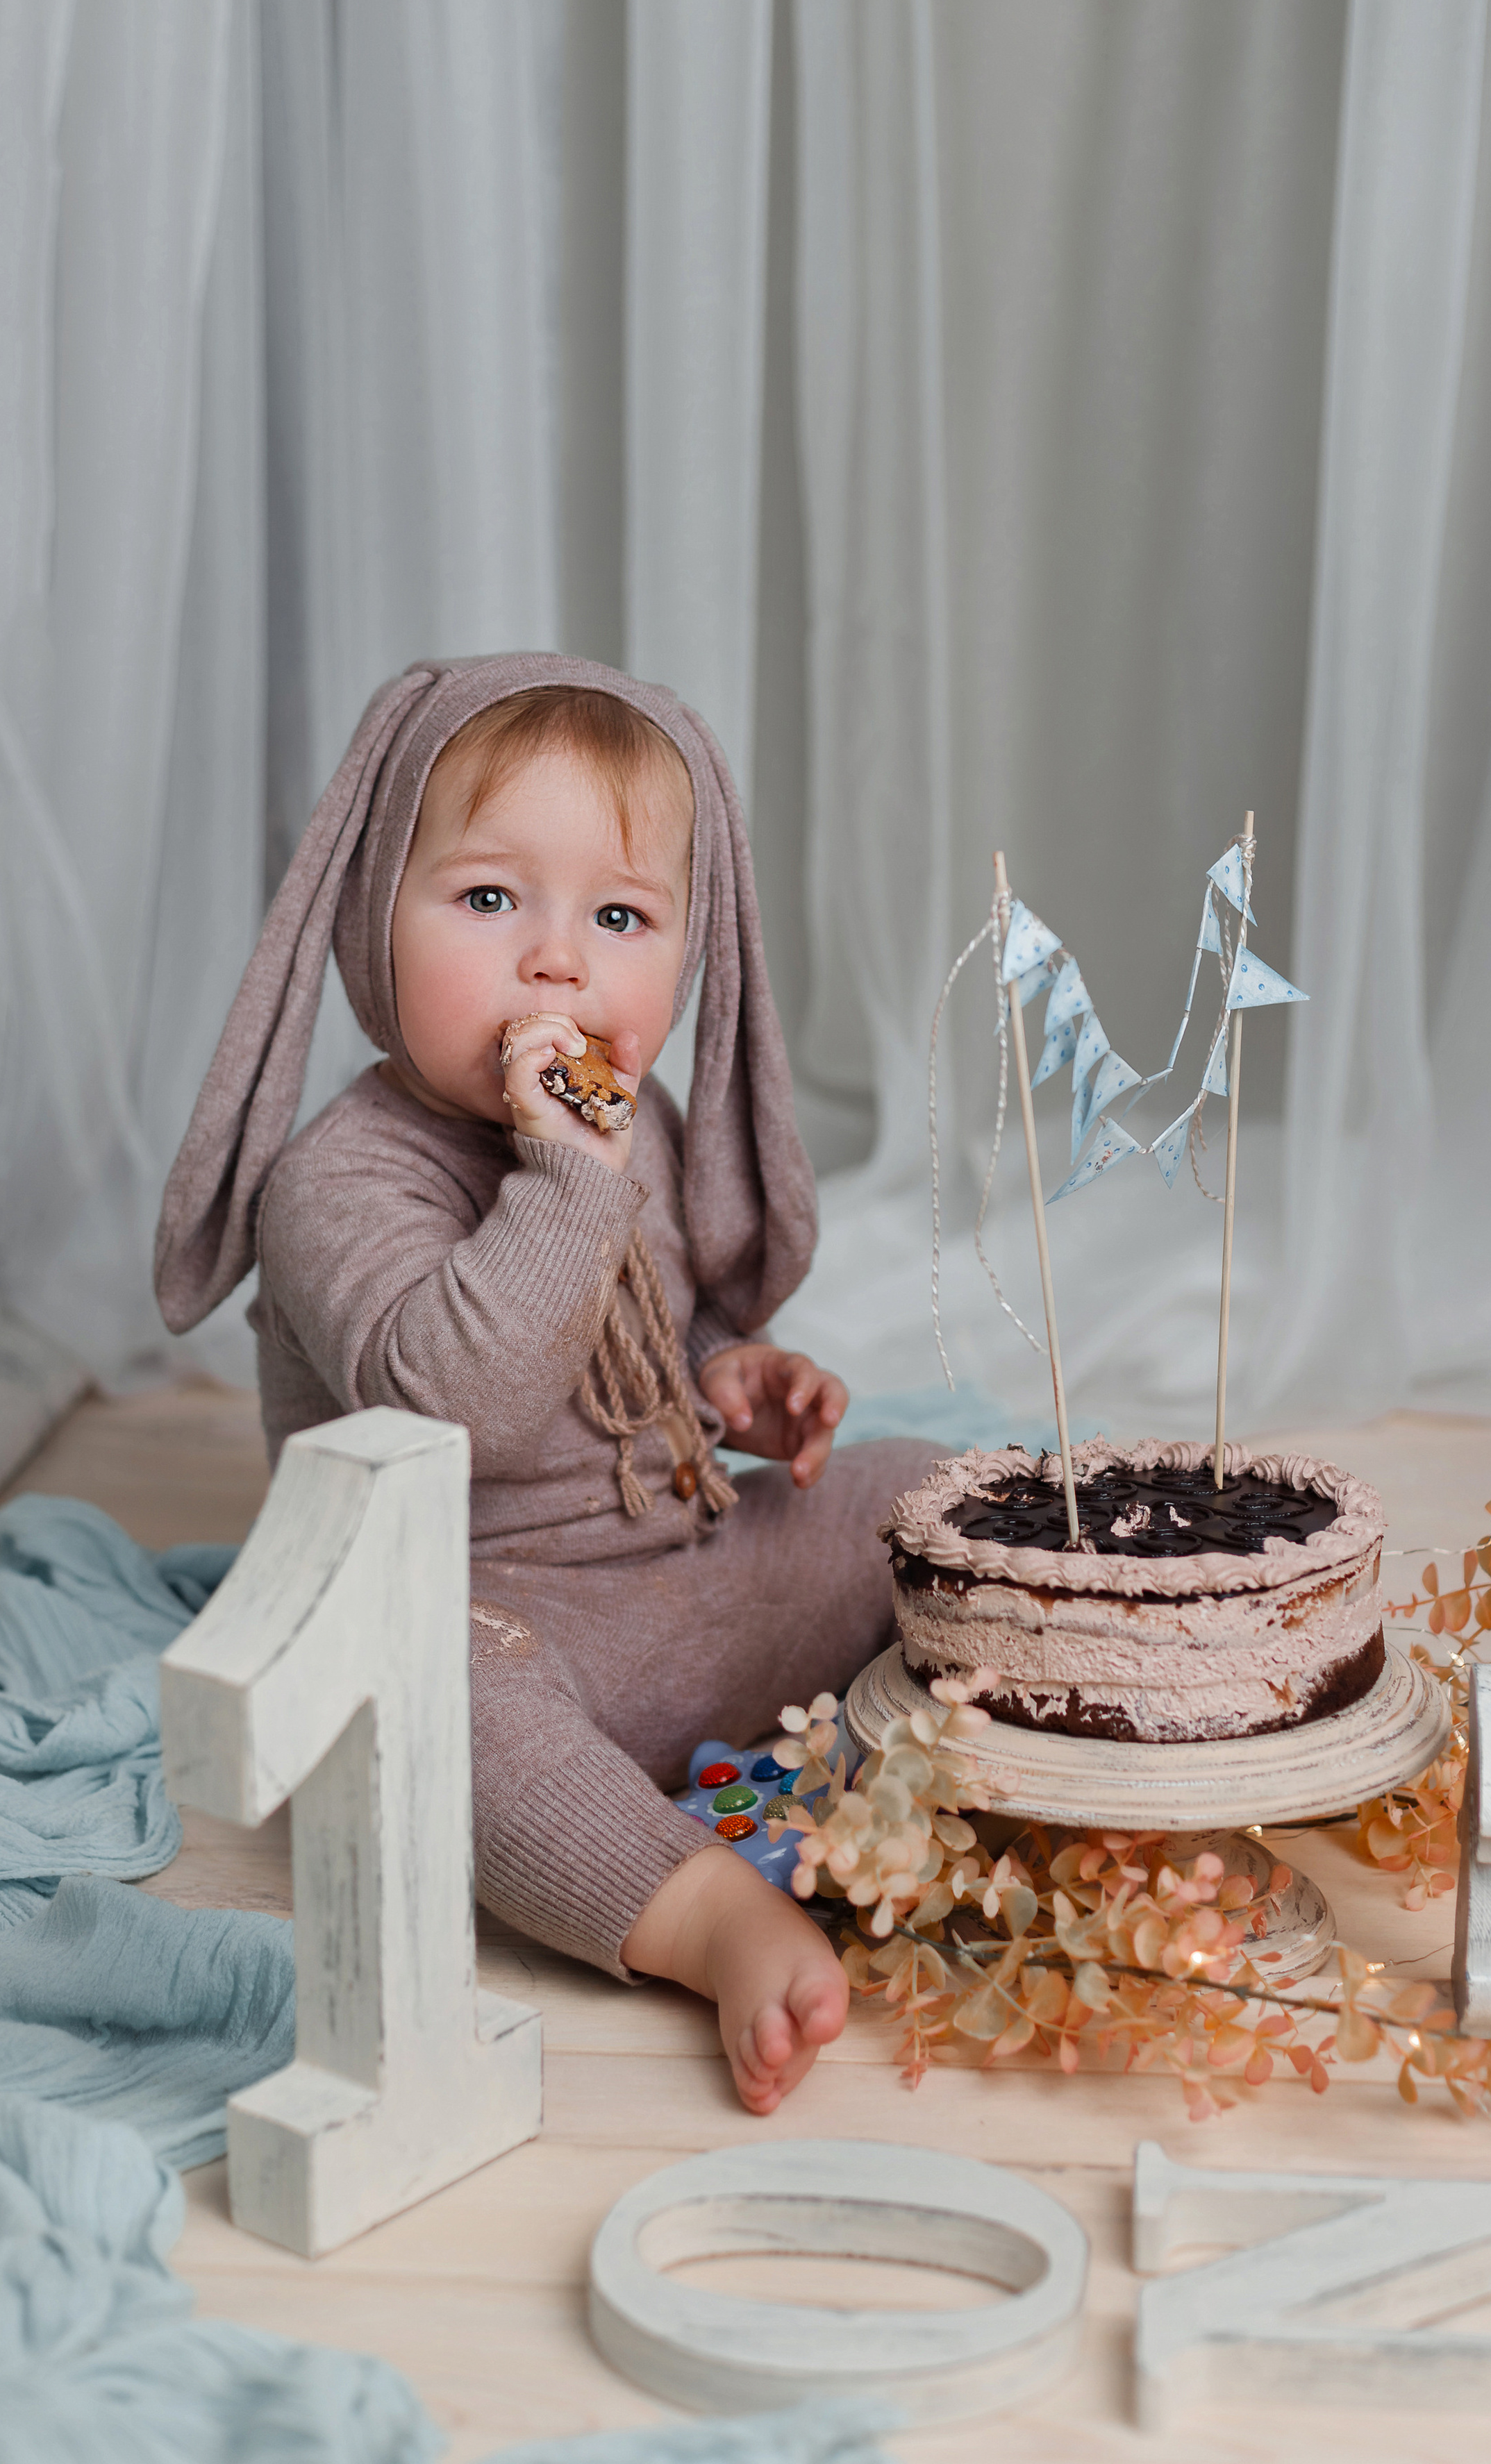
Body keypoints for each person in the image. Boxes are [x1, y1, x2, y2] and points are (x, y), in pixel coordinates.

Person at [156, 653, 942, 2113]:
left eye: (621, 916)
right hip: (495, 1615)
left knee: (919, 1497)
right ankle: (701, 1911)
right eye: (489, 899)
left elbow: (653, 1327)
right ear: (369, 919)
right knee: (419, 1714)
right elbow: (456, 1397)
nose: (556, 962)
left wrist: (732, 1383)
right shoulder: (338, 1179)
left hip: (688, 1575)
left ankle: (1039, 1722)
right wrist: (568, 1183)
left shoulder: (623, 1124)